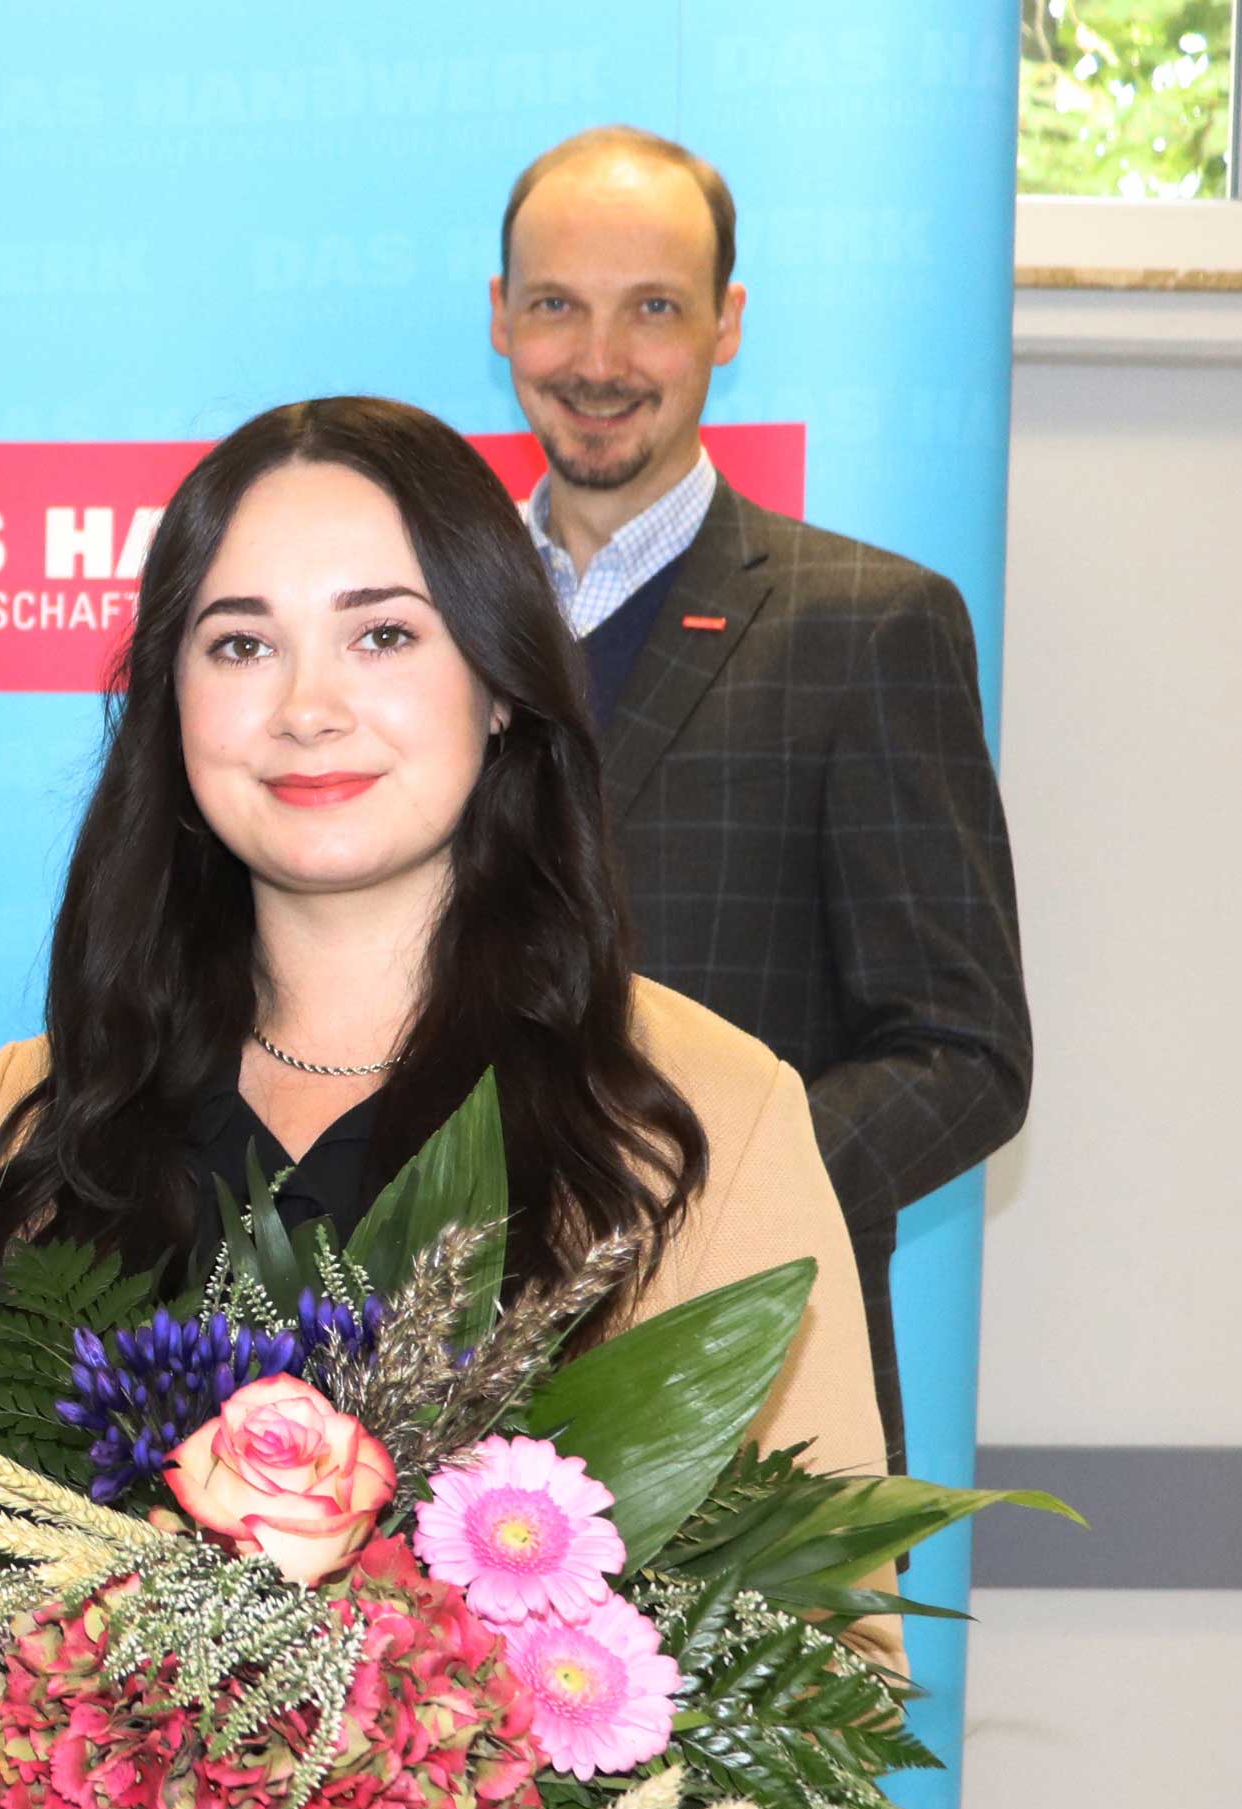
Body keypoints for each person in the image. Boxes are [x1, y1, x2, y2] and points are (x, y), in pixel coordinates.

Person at [0, 397, 886, 1809]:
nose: (306, 702)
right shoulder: (49, 1123)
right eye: (235, 637)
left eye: (381, 631)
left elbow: (822, 1661)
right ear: (165, 698)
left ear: (503, 685)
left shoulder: (689, 1116)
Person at [490, 123, 1031, 1473]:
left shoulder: (869, 626)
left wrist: (705, 1213)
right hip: (422, 1403)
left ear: (726, 326)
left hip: (755, 1399)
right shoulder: (421, 624)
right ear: (499, 320)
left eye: (653, 311)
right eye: (558, 305)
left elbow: (966, 1056)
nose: (601, 362)